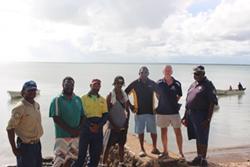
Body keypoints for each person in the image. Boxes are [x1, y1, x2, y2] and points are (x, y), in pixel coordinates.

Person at [182, 65, 218, 167]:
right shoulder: (193, 84)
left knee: (203, 138)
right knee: (197, 137)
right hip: (191, 114)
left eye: (197, 73)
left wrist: (208, 119)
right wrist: (185, 116)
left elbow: (212, 103)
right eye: (194, 73)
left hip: (202, 115)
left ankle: (203, 160)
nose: (195, 75)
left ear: (203, 74)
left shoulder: (208, 85)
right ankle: (198, 157)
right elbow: (187, 101)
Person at [125, 66, 160, 157]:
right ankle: (142, 149)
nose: (143, 74)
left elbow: (159, 93)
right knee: (140, 131)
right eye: (141, 72)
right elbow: (125, 94)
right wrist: (130, 106)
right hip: (139, 112)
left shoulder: (152, 83)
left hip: (151, 112)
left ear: (148, 73)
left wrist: (159, 106)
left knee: (154, 131)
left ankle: (154, 148)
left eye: (145, 72)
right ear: (139, 74)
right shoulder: (135, 84)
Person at [7, 80, 43, 167]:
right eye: (29, 90)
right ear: (23, 92)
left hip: (37, 144)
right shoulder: (19, 107)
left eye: (34, 90)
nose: (32, 92)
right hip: (25, 146)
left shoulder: (36, 105)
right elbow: (10, 128)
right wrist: (14, 149)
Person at [49, 77, 84, 167]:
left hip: (75, 137)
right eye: (67, 84)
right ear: (62, 85)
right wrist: (71, 131)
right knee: (59, 161)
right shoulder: (57, 100)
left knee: (71, 160)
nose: (69, 86)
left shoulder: (78, 99)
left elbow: (83, 116)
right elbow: (56, 118)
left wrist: (79, 130)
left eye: (71, 84)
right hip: (62, 137)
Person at [73, 79, 108, 167]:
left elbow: (106, 115)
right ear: (90, 85)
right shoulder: (83, 98)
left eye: (98, 85)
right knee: (81, 156)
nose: (97, 86)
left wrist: (99, 126)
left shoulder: (102, 99)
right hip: (85, 129)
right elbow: (81, 115)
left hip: (98, 130)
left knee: (95, 156)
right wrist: (90, 126)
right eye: (95, 84)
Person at [156, 65, 184, 159]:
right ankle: (165, 151)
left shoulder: (177, 84)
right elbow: (157, 95)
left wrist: (172, 103)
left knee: (178, 132)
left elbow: (179, 96)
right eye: (166, 70)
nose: (167, 72)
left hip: (174, 112)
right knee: (163, 132)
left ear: (172, 72)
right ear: (163, 71)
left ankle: (180, 152)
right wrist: (164, 102)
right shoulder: (159, 83)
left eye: (169, 70)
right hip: (162, 112)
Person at [102, 76, 130, 167]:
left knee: (121, 145)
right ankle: (103, 164)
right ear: (114, 83)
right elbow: (107, 113)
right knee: (107, 146)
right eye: (118, 83)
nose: (119, 85)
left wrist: (126, 124)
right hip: (112, 126)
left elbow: (127, 110)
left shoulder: (125, 96)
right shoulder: (110, 96)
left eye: (121, 83)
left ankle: (121, 163)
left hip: (122, 126)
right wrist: (114, 125)